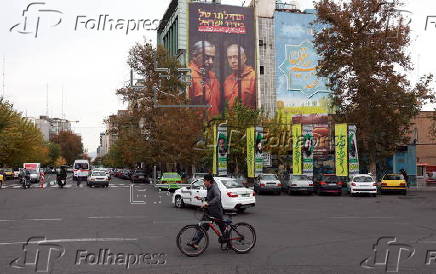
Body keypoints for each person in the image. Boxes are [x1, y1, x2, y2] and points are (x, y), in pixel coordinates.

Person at [188, 174, 227, 249]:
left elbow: (217, 197)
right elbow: (209, 197)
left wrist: (208, 203)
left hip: (216, 212)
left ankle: (229, 242)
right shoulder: (209, 187)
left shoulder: (214, 187)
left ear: (209, 181)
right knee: (203, 226)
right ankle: (195, 242)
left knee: (223, 228)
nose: (204, 183)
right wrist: (201, 198)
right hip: (209, 211)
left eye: (204, 181)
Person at [188, 41, 221, 117]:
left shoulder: (214, 78)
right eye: (206, 57)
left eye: (213, 58)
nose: (211, 62)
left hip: (215, 125)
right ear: (194, 56)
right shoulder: (189, 75)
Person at [224, 44, 256, 109]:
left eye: (236, 57)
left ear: (244, 58)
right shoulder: (227, 80)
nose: (232, 61)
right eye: (229, 58)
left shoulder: (254, 77)